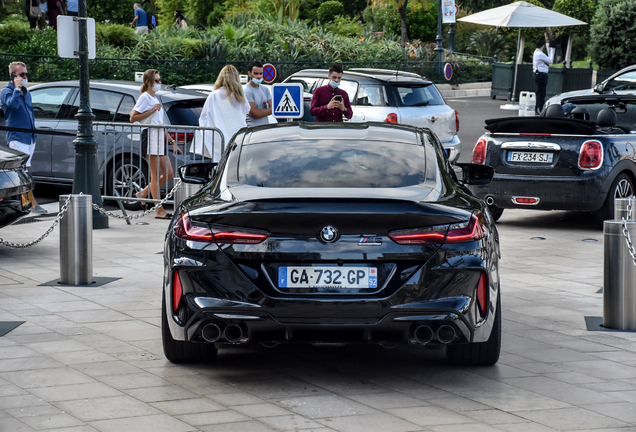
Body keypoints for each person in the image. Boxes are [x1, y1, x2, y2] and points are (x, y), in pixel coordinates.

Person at [129, 69, 181, 220]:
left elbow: (160, 124)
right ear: (148, 82)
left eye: (160, 80)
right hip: (150, 136)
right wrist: (152, 110)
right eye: (157, 80)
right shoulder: (145, 97)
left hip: (159, 136)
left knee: (169, 173)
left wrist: (172, 141)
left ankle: (143, 194)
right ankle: (159, 210)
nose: (160, 82)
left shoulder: (155, 98)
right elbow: (133, 117)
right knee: (155, 175)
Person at [1, 62, 46, 214]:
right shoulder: (7, 91)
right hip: (17, 137)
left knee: (26, 169)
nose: (25, 77)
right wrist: (16, 88)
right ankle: (31, 203)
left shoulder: (27, 93)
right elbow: (12, 106)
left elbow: (30, 113)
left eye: (26, 74)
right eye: (22, 75)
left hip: (30, 137)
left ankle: (24, 201)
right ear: (13, 76)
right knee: (21, 170)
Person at [197, 65, 250, 162]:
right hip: (239, 137)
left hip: (219, 138)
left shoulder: (214, 95)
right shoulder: (241, 96)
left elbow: (204, 117)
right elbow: (247, 111)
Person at [244, 60, 272, 127]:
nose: (259, 76)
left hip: (265, 129)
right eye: (256, 73)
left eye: (261, 73)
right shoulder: (247, 91)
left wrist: (261, 111)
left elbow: (275, 108)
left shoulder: (265, 89)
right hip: (252, 130)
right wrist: (271, 110)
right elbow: (256, 114)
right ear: (249, 74)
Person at [533, 38, 552, 115]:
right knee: (541, 93)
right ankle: (540, 109)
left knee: (539, 92)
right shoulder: (540, 54)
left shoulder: (536, 52)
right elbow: (550, 61)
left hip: (538, 74)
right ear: (543, 46)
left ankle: (537, 107)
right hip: (541, 75)